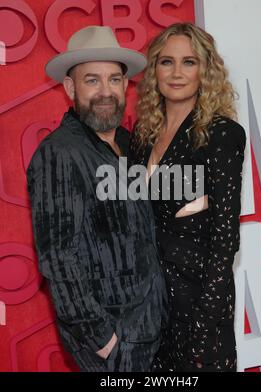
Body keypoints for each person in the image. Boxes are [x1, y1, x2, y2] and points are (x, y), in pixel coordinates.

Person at [27, 26, 167, 372]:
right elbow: (58, 258)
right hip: (115, 342)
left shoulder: (128, 142)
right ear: (71, 88)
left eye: (114, 80)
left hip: (153, 323)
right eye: (92, 81)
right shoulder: (59, 153)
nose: (106, 92)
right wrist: (102, 339)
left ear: (124, 85)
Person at [130, 22, 246, 372]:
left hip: (197, 302)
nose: (177, 73)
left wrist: (204, 324)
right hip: (149, 305)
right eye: (167, 62)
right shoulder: (142, 134)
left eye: (189, 62)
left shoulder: (221, 134)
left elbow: (225, 239)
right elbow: (137, 213)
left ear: (205, 71)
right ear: (155, 71)